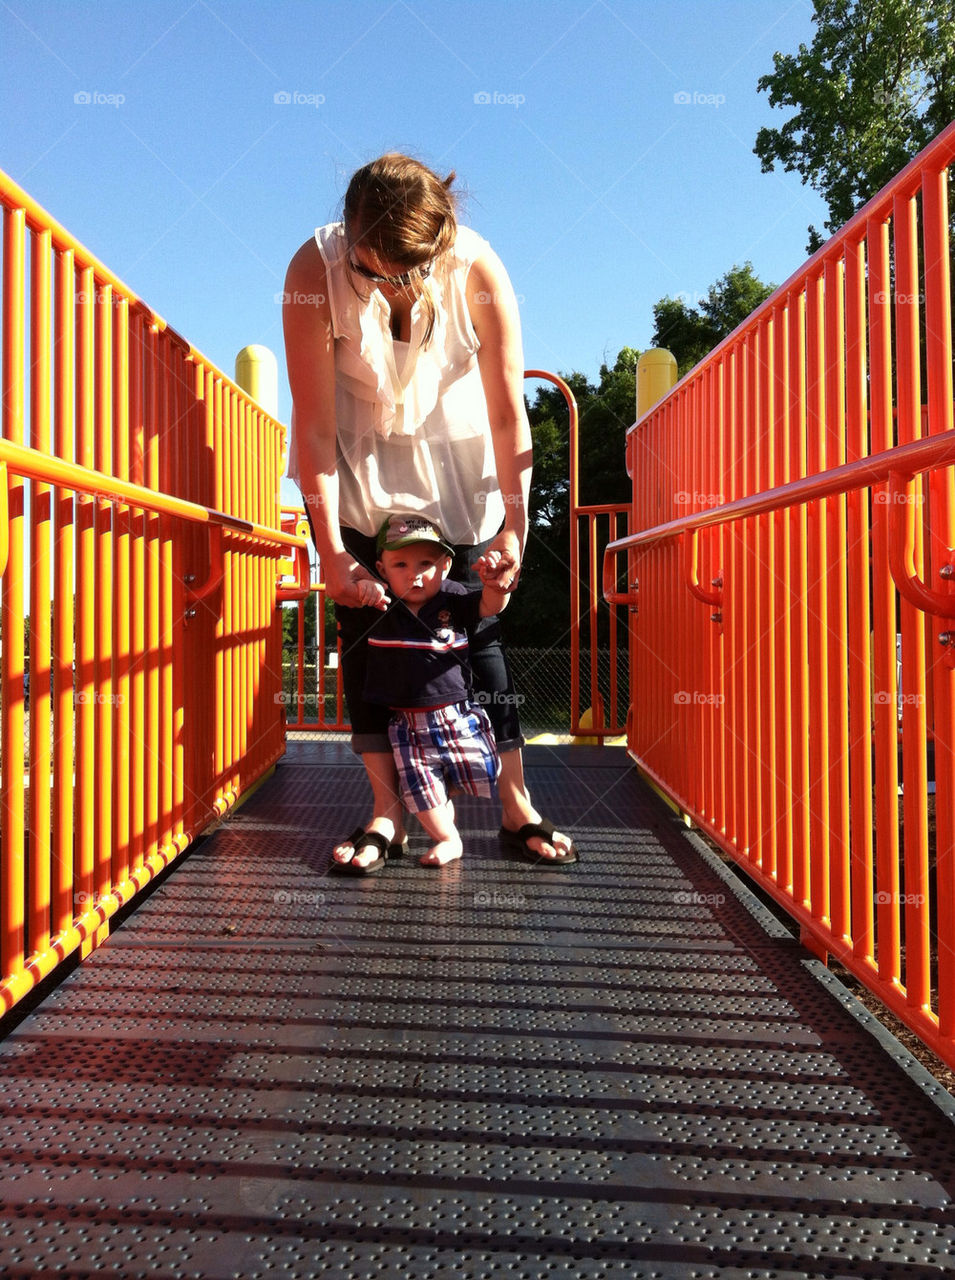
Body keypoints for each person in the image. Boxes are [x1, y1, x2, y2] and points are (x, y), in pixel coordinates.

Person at [282, 151, 578, 872]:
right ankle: (387, 814)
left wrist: (515, 528)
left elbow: (510, 413)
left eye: (406, 270)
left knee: (479, 642)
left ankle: (515, 808)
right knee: (369, 650)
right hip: (360, 471)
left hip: (458, 470)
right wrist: (331, 550)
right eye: (372, 268)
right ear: (347, 233)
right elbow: (315, 425)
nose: (390, 284)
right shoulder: (311, 271)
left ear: (439, 245)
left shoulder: (477, 268)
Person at [343, 513, 507, 871]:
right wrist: (361, 585)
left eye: (426, 563)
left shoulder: (453, 598)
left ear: (446, 566)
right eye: (400, 564)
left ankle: (433, 796)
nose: (414, 573)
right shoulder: (378, 603)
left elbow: (489, 608)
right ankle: (449, 838)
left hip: (457, 716)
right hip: (407, 725)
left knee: (484, 770)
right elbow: (342, 585)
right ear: (381, 569)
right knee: (421, 790)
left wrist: (496, 588)